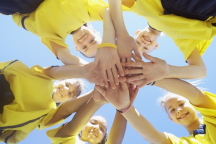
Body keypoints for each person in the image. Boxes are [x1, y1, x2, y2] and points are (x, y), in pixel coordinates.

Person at [12, 0, 137, 88]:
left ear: (76, 48)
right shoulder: (88, 11)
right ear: (95, 31)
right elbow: (109, 13)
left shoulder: (55, 36)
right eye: (92, 40)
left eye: (84, 47)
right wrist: (107, 44)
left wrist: (95, 69)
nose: (84, 41)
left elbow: (64, 55)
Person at [108, 0, 216, 83]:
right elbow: (201, 70)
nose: (143, 44)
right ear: (156, 46)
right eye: (145, 48)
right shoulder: (181, 37)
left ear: (136, 33)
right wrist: (168, 70)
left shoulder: (139, 7)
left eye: (137, 44)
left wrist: (121, 32)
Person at [0, 59, 106, 143]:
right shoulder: (44, 78)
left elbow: (65, 110)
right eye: (66, 84)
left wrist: (96, 91)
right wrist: (84, 72)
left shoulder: (49, 113)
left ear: (67, 101)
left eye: (70, 94)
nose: (66, 89)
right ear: (59, 80)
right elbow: (54, 72)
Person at [96, 74, 216, 143]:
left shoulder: (212, 117)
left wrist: (149, 78)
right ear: (171, 119)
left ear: (192, 103)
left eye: (181, 104)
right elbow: (152, 136)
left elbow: (197, 96)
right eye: (172, 110)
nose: (178, 110)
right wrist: (124, 107)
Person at [46, 86, 137, 144]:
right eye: (93, 123)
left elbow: (115, 141)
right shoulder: (67, 140)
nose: (96, 128)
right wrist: (97, 101)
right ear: (81, 127)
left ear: (102, 140)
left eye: (102, 129)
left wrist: (124, 104)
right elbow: (71, 128)